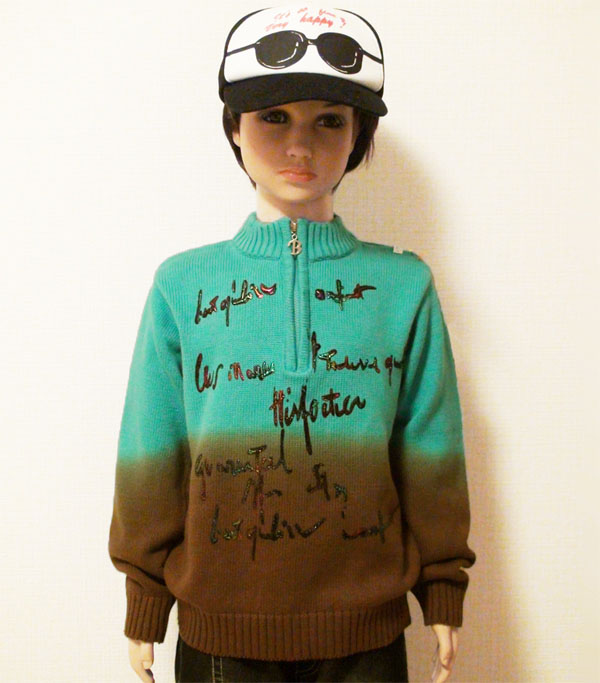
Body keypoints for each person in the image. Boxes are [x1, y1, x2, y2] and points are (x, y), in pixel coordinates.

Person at [108, 5, 476, 682]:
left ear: (359, 134)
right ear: (234, 127)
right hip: (221, 633)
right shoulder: (182, 285)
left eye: (329, 120)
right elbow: (151, 445)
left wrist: (442, 586)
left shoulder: (404, 287)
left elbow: (431, 445)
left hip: (367, 636)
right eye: (273, 117)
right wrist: (145, 597)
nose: (299, 145)